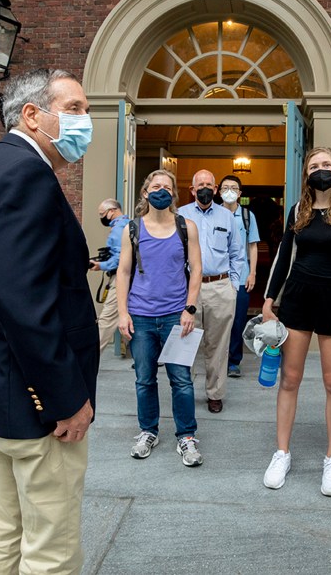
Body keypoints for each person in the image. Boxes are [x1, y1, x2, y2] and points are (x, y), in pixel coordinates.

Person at [0, 68, 99, 575]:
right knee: (50, 545)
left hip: (1, 389)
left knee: (5, 526)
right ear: (33, 115)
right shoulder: (28, 175)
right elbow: (22, 304)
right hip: (39, 404)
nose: (87, 120)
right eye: (76, 108)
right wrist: (65, 399)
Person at [260, 147, 331, 497]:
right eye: (314, 165)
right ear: (306, 173)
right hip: (297, 300)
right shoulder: (298, 210)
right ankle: (282, 453)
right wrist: (268, 301)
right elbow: (281, 261)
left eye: (326, 164)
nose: (320, 170)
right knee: (289, 379)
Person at [116, 169, 204, 466]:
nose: (161, 190)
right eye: (156, 186)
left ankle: (187, 437)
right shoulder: (133, 229)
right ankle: (148, 431)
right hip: (140, 315)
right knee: (144, 379)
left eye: (167, 186)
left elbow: (196, 270)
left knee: (181, 380)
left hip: (175, 316)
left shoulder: (186, 226)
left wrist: (189, 308)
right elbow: (123, 272)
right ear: (145, 192)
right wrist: (123, 313)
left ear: (173, 195)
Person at [177, 169, 243, 413]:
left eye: (209, 184)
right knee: (186, 342)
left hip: (220, 287)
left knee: (218, 344)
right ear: (192, 190)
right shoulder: (180, 216)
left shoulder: (227, 217)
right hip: (188, 289)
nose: (204, 188)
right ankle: (184, 391)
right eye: (199, 185)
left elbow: (237, 254)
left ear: (215, 190)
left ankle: (215, 394)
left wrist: (233, 286)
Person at [218, 174, 260, 378]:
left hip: (241, 277)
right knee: (216, 321)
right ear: (219, 191)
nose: (229, 191)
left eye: (234, 188)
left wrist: (252, 273)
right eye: (225, 187)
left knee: (237, 321)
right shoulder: (213, 213)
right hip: (217, 277)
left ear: (240, 193)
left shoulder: (246, 216)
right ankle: (218, 360)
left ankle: (234, 361)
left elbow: (252, 245)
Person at [93, 198, 130, 353]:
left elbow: (120, 257)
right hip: (131, 277)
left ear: (112, 210)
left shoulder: (118, 228)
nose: (102, 217)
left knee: (107, 319)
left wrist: (101, 265)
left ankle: (91, 355)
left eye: (102, 214)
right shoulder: (128, 224)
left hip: (120, 278)